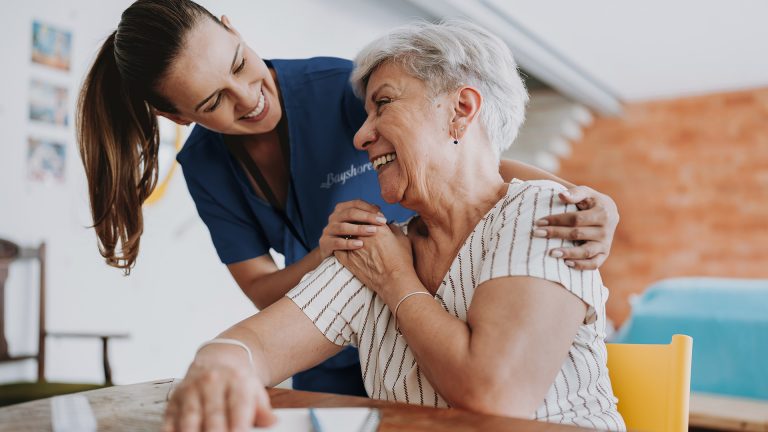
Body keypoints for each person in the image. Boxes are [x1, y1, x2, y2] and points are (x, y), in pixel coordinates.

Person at [77, 0, 620, 396]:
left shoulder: (341, 88)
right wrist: (220, 361)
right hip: (342, 331)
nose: (248, 99)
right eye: (214, 100)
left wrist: (573, 195)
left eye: (240, 64)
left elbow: (461, 160)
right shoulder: (209, 169)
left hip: (408, 305)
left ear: (233, 29)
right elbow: (261, 313)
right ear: (178, 117)